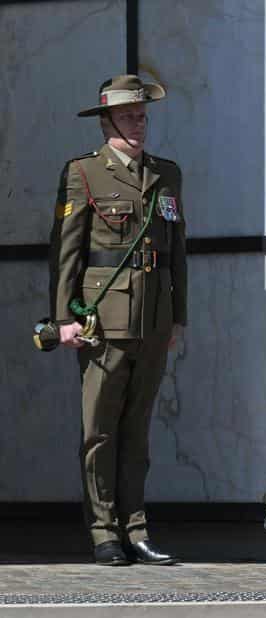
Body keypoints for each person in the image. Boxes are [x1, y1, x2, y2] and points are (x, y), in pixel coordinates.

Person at [48, 74, 187, 566]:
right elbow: (67, 252)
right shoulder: (85, 172)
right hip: (101, 323)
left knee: (138, 431)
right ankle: (104, 529)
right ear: (106, 120)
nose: (138, 124)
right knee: (99, 431)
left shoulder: (165, 174)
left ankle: (137, 528)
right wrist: (64, 317)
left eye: (143, 116)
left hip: (153, 320)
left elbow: (176, 255)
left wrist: (179, 318)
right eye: (129, 116)